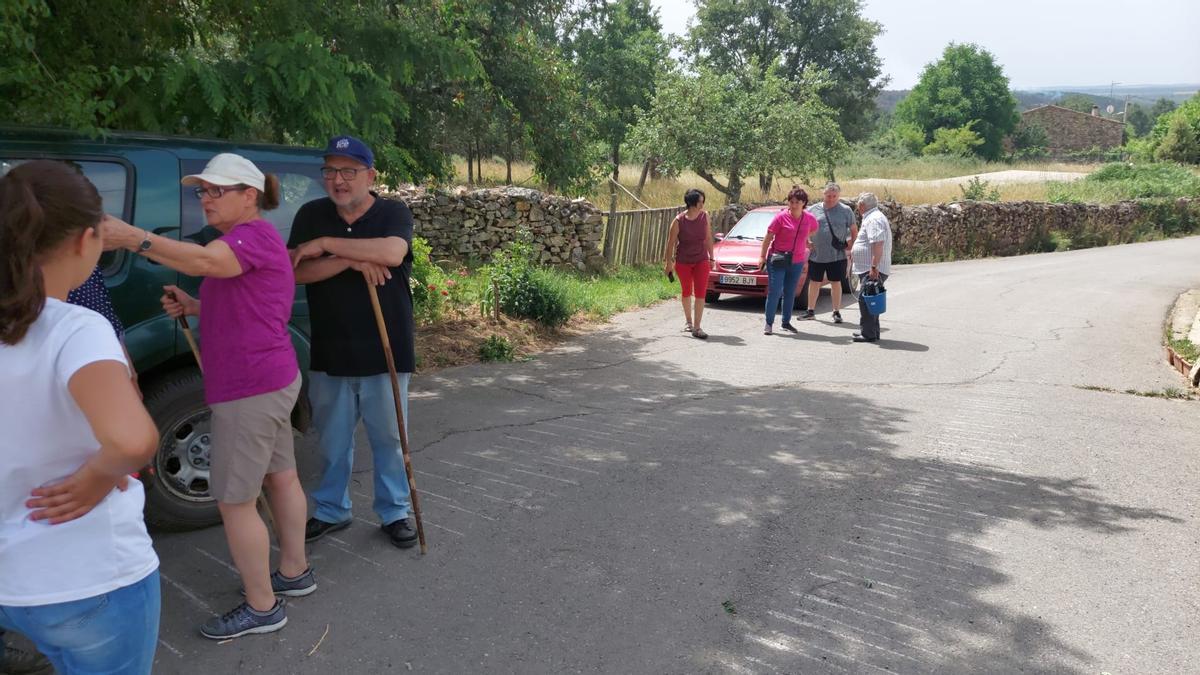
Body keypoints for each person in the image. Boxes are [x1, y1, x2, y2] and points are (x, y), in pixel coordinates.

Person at [101, 153, 313, 639]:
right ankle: (294, 573)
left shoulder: (247, 238)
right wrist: (195, 305)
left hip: (250, 387)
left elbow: (202, 261)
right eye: (203, 190)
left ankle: (263, 606)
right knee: (281, 477)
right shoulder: (243, 242)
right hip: (271, 377)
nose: (206, 198)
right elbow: (243, 297)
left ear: (249, 195)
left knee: (235, 501)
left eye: (218, 190)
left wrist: (132, 237)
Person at [0, 160, 160, 673]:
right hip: (88, 574)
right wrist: (98, 473)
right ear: (85, 239)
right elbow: (132, 440)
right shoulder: (75, 328)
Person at [289, 135, 420, 549]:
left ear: (370, 175)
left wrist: (327, 245)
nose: (338, 179)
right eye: (330, 170)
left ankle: (395, 511)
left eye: (349, 171)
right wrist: (350, 260)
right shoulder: (311, 213)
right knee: (331, 439)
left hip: (386, 347)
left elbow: (393, 252)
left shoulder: (392, 212)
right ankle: (332, 509)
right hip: (332, 348)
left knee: (390, 438)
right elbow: (294, 271)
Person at [758, 186, 818, 335]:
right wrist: (762, 256)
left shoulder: (809, 218)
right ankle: (769, 323)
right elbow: (768, 237)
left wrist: (806, 240)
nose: (793, 204)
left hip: (797, 260)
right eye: (791, 201)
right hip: (778, 259)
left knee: (790, 292)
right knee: (775, 291)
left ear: (804, 203)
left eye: (797, 202)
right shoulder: (780, 217)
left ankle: (786, 322)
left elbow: (814, 229)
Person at [662, 188, 715, 339]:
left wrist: (712, 258)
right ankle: (688, 322)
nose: (703, 203)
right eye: (700, 201)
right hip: (683, 261)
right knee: (686, 290)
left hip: (701, 260)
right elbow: (670, 243)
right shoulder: (678, 221)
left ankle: (697, 327)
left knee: (700, 292)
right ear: (692, 203)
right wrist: (668, 263)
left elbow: (708, 238)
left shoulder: (705, 216)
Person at [804, 182, 857, 323]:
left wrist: (851, 245)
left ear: (838, 195)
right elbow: (804, 227)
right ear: (823, 194)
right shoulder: (812, 210)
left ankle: (836, 312)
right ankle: (810, 311)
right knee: (814, 282)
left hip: (837, 255)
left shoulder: (846, 210)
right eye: (829, 196)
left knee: (836, 282)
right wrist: (806, 241)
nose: (831, 199)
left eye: (834, 196)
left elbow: (853, 229)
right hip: (817, 254)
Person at [851, 192, 893, 343]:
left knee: (865, 300)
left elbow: (878, 243)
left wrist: (874, 266)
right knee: (871, 299)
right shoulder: (872, 216)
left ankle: (868, 334)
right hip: (871, 267)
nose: (857, 207)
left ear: (862, 205)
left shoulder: (874, 219)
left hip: (874, 268)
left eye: (858, 204)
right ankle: (872, 331)